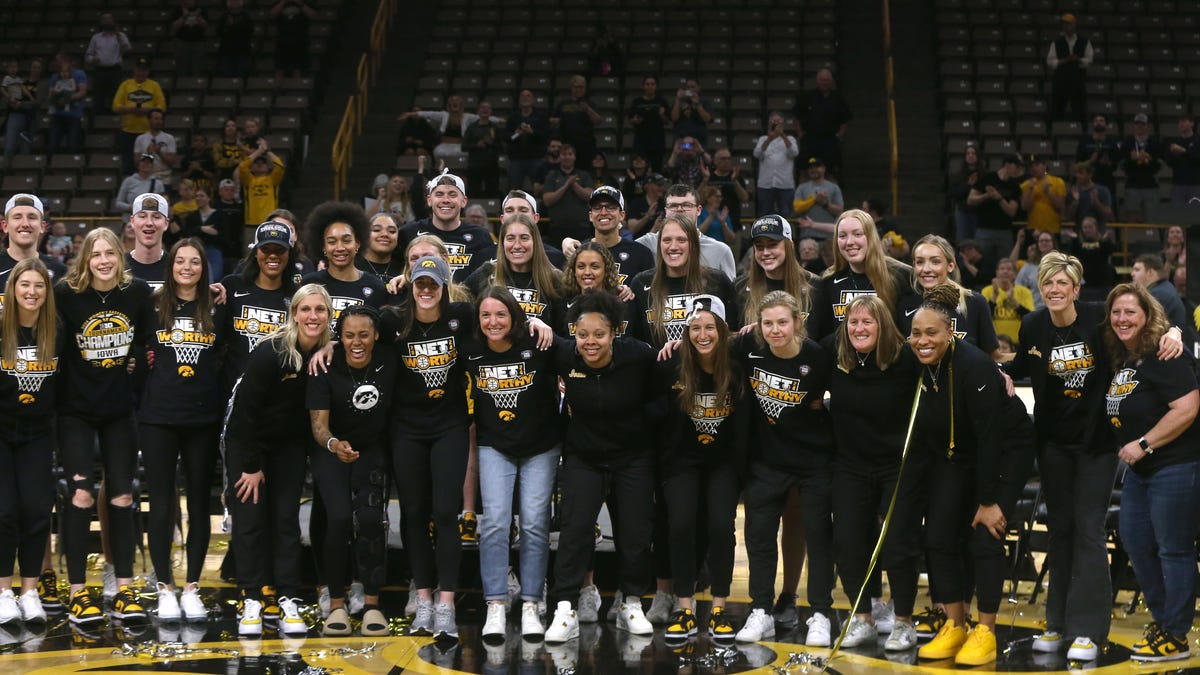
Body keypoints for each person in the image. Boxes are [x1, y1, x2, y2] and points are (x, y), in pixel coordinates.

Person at [1009, 251, 1181, 662]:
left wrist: (1173, 331)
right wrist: (996, 374)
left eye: (1062, 283)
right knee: (1060, 531)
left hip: (1096, 445)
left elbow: (1140, 325)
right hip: (1053, 446)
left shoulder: (1098, 320)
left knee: (1088, 530)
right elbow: (1017, 366)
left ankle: (1088, 630)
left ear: (1076, 288)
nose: (1054, 289)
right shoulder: (1032, 325)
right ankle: (1057, 623)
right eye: (1047, 282)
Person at [909, 284, 1036, 665]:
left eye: (931, 332)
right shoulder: (915, 361)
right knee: (938, 536)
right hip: (958, 455)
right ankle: (955, 624)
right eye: (916, 333)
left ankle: (986, 631)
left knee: (985, 535)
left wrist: (988, 501)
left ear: (950, 332)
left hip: (1004, 452)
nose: (922, 340)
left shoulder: (975, 365)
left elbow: (990, 439)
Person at [543, 290, 657, 643]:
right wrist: (534, 323)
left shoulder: (638, 355)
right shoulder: (564, 354)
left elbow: (662, 394)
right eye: (582, 334)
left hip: (632, 457)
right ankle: (565, 609)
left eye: (599, 334)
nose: (590, 342)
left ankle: (631, 603)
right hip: (584, 457)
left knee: (635, 533)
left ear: (614, 333)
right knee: (575, 531)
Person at [54, 227, 153, 626]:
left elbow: (148, 342)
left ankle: (124, 588)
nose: (104, 261)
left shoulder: (137, 293)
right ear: (85, 260)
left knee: (123, 497)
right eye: (96, 255)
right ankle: (78, 592)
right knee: (80, 496)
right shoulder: (65, 294)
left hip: (119, 410)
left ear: (119, 256)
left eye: (110, 253)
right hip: (74, 411)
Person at [224, 283, 331, 636]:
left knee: (286, 520)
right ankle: (251, 598)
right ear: (294, 314)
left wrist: (334, 345)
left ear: (329, 316)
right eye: (306, 309)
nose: (312, 316)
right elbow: (243, 414)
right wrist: (251, 466)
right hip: (248, 442)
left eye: (320, 310)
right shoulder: (271, 352)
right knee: (251, 519)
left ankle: (287, 597)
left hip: (289, 446)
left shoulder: (328, 353)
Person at [1102, 283, 1200, 662]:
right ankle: (1164, 621)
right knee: (1136, 541)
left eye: (1131, 312)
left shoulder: (1165, 352)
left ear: (1148, 316)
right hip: (1141, 472)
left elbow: (1188, 407)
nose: (1122, 318)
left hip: (1175, 466)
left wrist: (1143, 443)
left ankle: (1175, 633)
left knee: (1173, 549)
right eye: (1116, 312)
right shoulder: (1126, 356)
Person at [733, 290, 835, 646]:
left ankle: (820, 613)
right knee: (759, 536)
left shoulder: (818, 357)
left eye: (782, 322)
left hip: (813, 463)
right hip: (766, 462)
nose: (775, 330)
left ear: (797, 322)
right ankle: (761, 610)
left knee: (819, 538)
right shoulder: (748, 349)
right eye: (767, 323)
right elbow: (707, 345)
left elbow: (837, 398)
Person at [825, 294, 925, 651]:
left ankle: (904, 621)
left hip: (897, 466)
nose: (859, 328)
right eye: (853, 322)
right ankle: (863, 617)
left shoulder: (906, 358)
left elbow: (950, 362)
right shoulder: (835, 355)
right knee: (849, 543)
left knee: (898, 544)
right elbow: (793, 352)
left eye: (867, 321)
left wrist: (998, 373)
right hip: (850, 466)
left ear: (883, 325)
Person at [469, 287, 562, 640]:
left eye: (501, 314)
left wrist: (546, 326)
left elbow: (576, 356)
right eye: (486, 315)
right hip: (495, 445)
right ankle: (495, 602)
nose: (493, 322)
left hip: (541, 446)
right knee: (495, 522)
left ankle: (531, 603)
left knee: (535, 523)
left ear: (515, 317)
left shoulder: (538, 342)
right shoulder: (470, 348)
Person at [139, 239, 224, 623]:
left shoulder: (217, 306)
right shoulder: (152, 305)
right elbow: (137, 351)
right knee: (161, 504)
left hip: (202, 420)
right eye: (180, 261)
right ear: (170, 266)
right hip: (158, 418)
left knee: (199, 505)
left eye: (195, 262)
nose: (187, 268)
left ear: (204, 268)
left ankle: (191, 587)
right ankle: (165, 588)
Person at [654, 295, 744, 642]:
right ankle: (685, 608)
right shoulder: (671, 364)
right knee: (681, 525)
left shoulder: (737, 365)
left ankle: (719, 608)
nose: (702, 335)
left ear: (723, 330)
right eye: (695, 328)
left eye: (709, 327)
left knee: (721, 527)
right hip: (682, 462)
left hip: (723, 463)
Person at [306, 305, 394, 637]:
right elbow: (318, 426)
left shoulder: (389, 359)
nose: (356, 342)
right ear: (339, 338)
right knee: (339, 518)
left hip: (371, 448)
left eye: (364, 335)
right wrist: (334, 445)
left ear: (376, 336)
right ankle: (336, 604)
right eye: (348, 336)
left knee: (370, 519)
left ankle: (371, 604)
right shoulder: (324, 366)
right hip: (331, 448)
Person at [0, 258, 61, 625]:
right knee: (4, 512)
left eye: (39, 285)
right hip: (1, 433)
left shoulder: (56, 331)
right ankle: (4, 592)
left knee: (38, 511)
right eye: (25, 284)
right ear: (13, 289)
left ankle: (30, 592)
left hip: (38, 434)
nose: (32, 291)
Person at [631, 214, 738, 347]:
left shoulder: (717, 281)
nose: (673, 247)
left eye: (681, 240)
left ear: (693, 245)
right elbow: (633, 340)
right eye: (667, 240)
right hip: (655, 360)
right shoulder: (641, 283)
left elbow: (733, 333)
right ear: (659, 245)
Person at [219, 220, 297, 394]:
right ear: (255, 252)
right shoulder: (231, 286)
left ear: (289, 254)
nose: (273, 255)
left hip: (276, 394)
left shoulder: (297, 296)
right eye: (266, 249)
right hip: (231, 391)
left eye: (280, 250)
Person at [810, 209, 912, 340]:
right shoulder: (827, 280)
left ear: (871, 237)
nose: (849, 242)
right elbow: (823, 336)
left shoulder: (900, 276)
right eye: (842, 236)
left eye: (857, 234)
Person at [897, 235, 999, 356]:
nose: (926, 269)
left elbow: (993, 357)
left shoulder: (975, 302)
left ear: (951, 265)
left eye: (935, 262)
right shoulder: (905, 305)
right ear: (914, 266)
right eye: (920, 262)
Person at [464, 213, 564, 326]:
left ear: (535, 241)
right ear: (503, 242)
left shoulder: (555, 279)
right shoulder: (488, 272)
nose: (517, 246)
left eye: (524, 238)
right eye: (510, 238)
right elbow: (458, 298)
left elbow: (565, 329)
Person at [397, 170, 494, 281]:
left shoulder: (481, 236)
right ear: (429, 200)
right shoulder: (409, 233)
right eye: (439, 194)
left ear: (464, 201)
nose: (446, 200)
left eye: (452, 195)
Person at [301, 201, 388, 324]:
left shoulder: (376, 287)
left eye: (346, 240)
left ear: (357, 244)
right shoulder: (309, 283)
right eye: (332, 242)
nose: (340, 247)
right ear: (323, 247)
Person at [112, 57, 167, 176]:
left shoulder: (154, 85)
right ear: (134, 70)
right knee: (128, 164)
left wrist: (147, 111)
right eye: (139, 69)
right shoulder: (126, 85)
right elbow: (116, 106)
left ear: (148, 71)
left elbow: (162, 106)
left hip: (147, 132)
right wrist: (131, 109)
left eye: (144, 70)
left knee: (148, 163)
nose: (141, 72)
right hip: (128, 131)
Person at [0, 194, 68, 288]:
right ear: (5, 226)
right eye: (17, 217)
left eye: (32, 217)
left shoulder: (58, 270)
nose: (25, 224)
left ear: (42, 226)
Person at [793, 69, 852, 177]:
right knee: (805, 170)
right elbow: (797, 118)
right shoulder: (807, 97)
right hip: (810, 140)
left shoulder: (838, 99)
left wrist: (839, 136)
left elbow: (845, 120)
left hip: (830, 141)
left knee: (830, 172)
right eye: (822, 80)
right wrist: (801, 135)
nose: (824, 82)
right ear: (817, 81)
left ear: (831, 81)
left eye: (827, 80)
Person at [966, 154, 1023, 261]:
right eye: (1017, 167)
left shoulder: (1014, 186)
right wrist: (987, 195)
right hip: (984, 229)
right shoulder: (987, 178)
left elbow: (1012, 211)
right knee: (980, 261)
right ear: (1008, 165)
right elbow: (970, 200)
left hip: (1005, 230)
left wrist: (999, 198)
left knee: (1006, 262)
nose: (1019, 171)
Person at [541, 143, 595, 246]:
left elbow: (590, 197)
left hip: (581, 227)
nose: (567, 157)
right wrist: (566, 185)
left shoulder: (584, 175)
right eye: (564, 154)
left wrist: (574, 185)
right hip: (557, 228)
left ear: (574, 157)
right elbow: (547, 200)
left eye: (570, 154)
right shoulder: (552, 176)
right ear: (559, 157)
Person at [1047, 13, 1092, 124]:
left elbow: (1089, 60)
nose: (1066, 26)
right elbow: (1050, 62)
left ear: (1074, 25)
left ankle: (1079, 130)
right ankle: (1057, 130)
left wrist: (1078, 60)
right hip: (1060, 81)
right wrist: (1065, 60)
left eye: (1068, 24)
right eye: (1064, 24)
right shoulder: (1056, 43)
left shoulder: (1084, 42)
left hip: (1077, 81)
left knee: (1079, 109)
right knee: (1057, 109)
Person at [752, 111, 800, 217]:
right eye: (773, 121)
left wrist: (782, 135)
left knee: (785, 216)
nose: (776, 124)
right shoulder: (763, 139)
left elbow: (794, 153)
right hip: (765, 185)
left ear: (783, 124)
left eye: (778, 121)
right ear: (769, 123)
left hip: (785, 185)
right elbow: (757, 154)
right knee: (764, 216)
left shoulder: (790, 139)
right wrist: (769, 139)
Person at [85, 13, 131, 113]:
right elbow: (88, 55)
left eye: (109, 18)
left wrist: (118, 35)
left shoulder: (120, 36)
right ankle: (99, 118)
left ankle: (113, 119)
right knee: (99, 97)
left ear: (113, 21)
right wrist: (92, 59)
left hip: (115, 71)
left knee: (115, 97)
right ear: (101, 22)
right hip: (100, 71)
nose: (107, 21)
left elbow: (128, 49)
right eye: (104, 19)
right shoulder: (96, 37)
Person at [981, 258, 1034, 345]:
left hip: (1018, 342)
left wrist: (1013, 300)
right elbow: (984, 318)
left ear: (1015, 274)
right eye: (1002, 269)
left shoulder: (1025, 292)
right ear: (997, 272)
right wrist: (995, 295)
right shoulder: (987, 291)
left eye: (1009, 269)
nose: (1005, 271)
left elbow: (1030, 319)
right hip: (995, 342)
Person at [506, 89, 550, 192]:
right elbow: (506, 137)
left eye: (528, 96)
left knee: (538, 188)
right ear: (519, 100)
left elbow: (545, 136)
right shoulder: (513, 117)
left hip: (536, 158)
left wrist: (532, 132)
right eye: (523, 96)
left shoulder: (541, 117)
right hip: (517, 158)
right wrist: (516, 133)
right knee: (515, 189)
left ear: (533, 100)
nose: (525, 98)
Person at [551, 75, 602, 164]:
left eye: (581, 87)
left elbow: (598, 121)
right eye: (576, 87)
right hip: (567, 145)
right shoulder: (563, 103)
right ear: (571, 88)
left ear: (585, 88)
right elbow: (554, 120)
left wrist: (588, 109)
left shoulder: (590, 104)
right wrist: (554, 121)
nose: (578, 89)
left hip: (586, 146)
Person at [236, 138, 285, 226]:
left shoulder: (273, 179)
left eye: (263, 163)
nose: (260, 164)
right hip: (251, 222)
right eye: (256, 163)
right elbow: (242, 166)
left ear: (268, 167)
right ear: (251, 167)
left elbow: (280, 165)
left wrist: (266, 150)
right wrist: (258, 152)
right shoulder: (248, 180)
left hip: (270, 222)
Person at [46, 53, 87, 155]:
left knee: (72, 146)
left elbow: (82, 92)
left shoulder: (79, 74)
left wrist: (66, 99)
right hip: (57, 115)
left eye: (59, 61)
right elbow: (50, 95)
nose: (57, 63)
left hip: (73, 115)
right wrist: (57, 100)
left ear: (67, 61)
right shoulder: (55, 77)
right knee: (52, 146)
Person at [1131, 253, 1187, 328]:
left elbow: (1144, 325)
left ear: (1150, 272)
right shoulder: (1164, 287)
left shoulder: (1159, 294)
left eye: (1137, 270)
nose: (1132, 274)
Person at [626, 75, 670, 171]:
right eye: (647, 84)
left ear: (656, 86)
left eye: (652, 84)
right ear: (643, 86)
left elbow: (667, 121)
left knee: (657, 169)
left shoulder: (661, 101)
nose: (650, 86)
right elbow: (630, 119)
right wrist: (635, 120)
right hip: (640, 140)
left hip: (657, 140)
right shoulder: (637, 102)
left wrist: (662, 115)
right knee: (639, 168)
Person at [462, 101, 504, 197]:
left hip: (492, 166)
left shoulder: (495, 127)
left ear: (491, 111)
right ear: (478, 111)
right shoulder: (471, 127)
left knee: (492, 192)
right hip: (475, 166)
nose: (485, 110)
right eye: (482, 107)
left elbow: (502, 147)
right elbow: (464, 147)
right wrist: (476, 145)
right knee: (473, 193)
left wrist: (491, 143)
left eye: (487, 108)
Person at [1020, 155, 1067, 235]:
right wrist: (1030, 190)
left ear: (1044, 166)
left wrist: (1048, 192)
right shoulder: (1026, 185)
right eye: (1031, 166)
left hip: (1053, 229)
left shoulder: (1058, 182)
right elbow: (1024, 207)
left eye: (1037, 165)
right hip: (1033, 230)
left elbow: (1060, 206)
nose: (1034, 168)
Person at [131, 109, 179, 188]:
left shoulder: (169, 138)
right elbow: (136, 163)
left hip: (164, 177)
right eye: (156, 119)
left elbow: (172, 162)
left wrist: (159, 153)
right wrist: (147, 153)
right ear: (149, 120)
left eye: (161, 119)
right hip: (145, 177)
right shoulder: (140, 139)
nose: (159, 122)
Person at [1064, 161, 1113, 232]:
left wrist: (1096, 202)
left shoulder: (1102, 190)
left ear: (1090, 175)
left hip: (1099, 232)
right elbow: (1068, 218)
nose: (1077, 176)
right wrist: (1075, 202)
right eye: (1076, 173)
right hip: (1080, 232)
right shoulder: (1073, 192)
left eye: (1080, 173)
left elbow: (1108, 216)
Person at [272, 0, 315, 78]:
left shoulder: (305, 2)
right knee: (279, 70)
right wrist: (283, 2)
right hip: (282, 43)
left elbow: (312, 15)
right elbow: (272, 14)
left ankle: (297, 85)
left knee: (298, 70)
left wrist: (300, 3)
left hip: (300, 42)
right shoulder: (279, 2)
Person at [1165, 114, 1200, 205]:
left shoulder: (1198, 140)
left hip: (1195, 185)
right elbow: (1169, 162)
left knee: (1195, 212)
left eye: (1184, 121)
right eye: (1179, 122)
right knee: (1177, 212)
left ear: (1192, 123)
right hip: (1178, 185)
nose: (1181, 124)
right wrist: (1173, 154)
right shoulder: (1174, 142)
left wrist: (1184, 151)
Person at [215, 0, 255, 78]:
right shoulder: (224, 16)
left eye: (236, 1)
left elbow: (250, 31)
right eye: (232, 1)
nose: (234, 3)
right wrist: (228, 26)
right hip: (226, 52)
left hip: (242, 52)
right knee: (227, 77)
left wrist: (234, 26)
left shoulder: (246, 16)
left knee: (241, 76)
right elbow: (218, 31)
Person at [168, 0, 209, 76]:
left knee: (197, 70)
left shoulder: (201, 9)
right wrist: (184, 17)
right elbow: (173, 27)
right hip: (182, 43)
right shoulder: (178, 9)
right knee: (181, 70)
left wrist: (198, 17)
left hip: (198, 43)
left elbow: (206, 26)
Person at [951, 141, 982, 242]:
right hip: (963, 210)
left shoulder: (983, 174)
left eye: (973, 153)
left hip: (979, 211)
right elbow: (955, 194)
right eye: (968, 153)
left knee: (978, 242)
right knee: (963, 241)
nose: (970, 156)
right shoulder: (958, 175)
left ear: (977, 156)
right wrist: (968, 185)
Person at [670, 78, 711, 147]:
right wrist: (677, 99)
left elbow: (707, 119)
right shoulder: (679, 100)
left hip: (699, 139)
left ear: (698, 88)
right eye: (688, 87)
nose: (690, 89)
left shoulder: (704, 100)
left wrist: (697, 104)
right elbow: (674, 118)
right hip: (681, 138)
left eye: (693, 87)